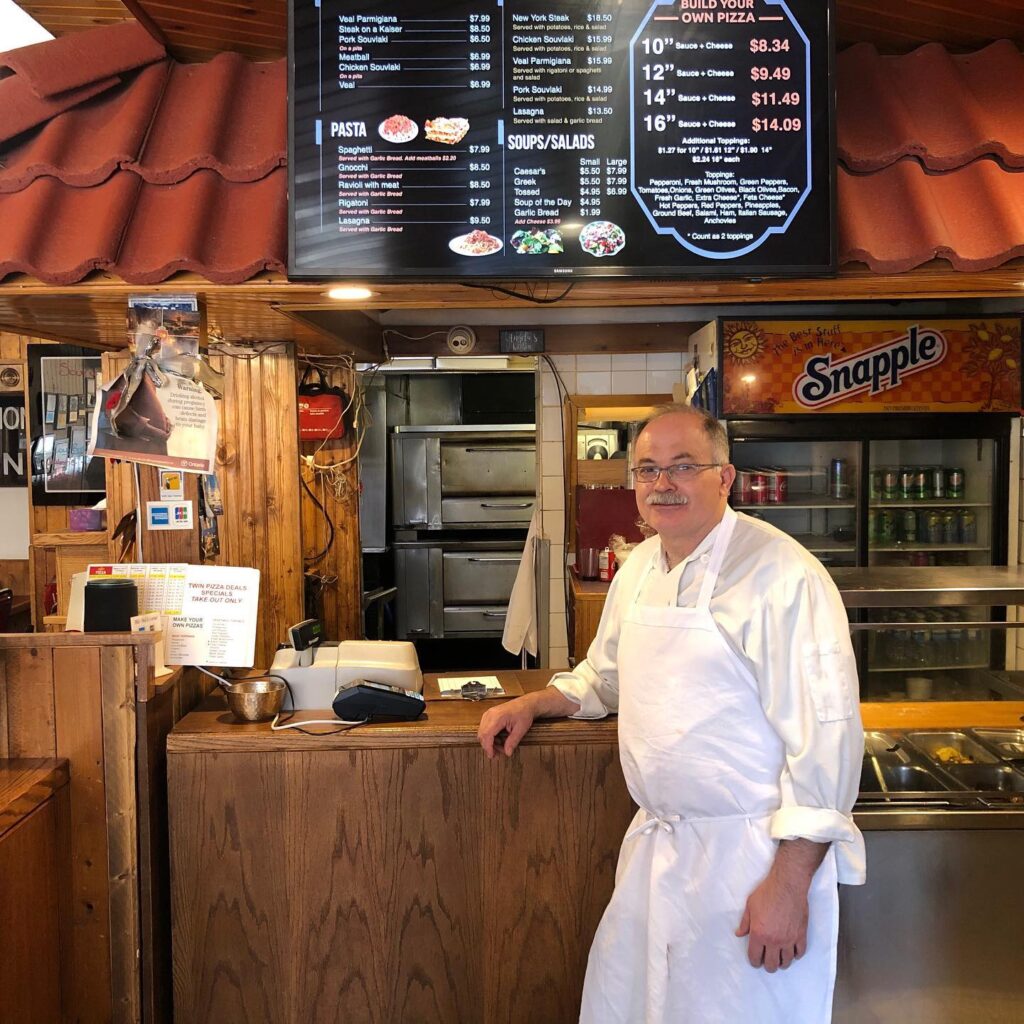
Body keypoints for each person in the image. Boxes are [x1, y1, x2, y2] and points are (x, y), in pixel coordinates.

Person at [478, 404, 865, 1023]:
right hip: (658, 854)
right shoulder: (638, 568)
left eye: (684, 467)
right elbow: (605, 678)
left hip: (751, 865)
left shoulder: (784, 575)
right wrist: (538, 701)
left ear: (725, 477)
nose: (663, 484)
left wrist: (789, 887)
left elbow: (827, 741)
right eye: (648, 469)